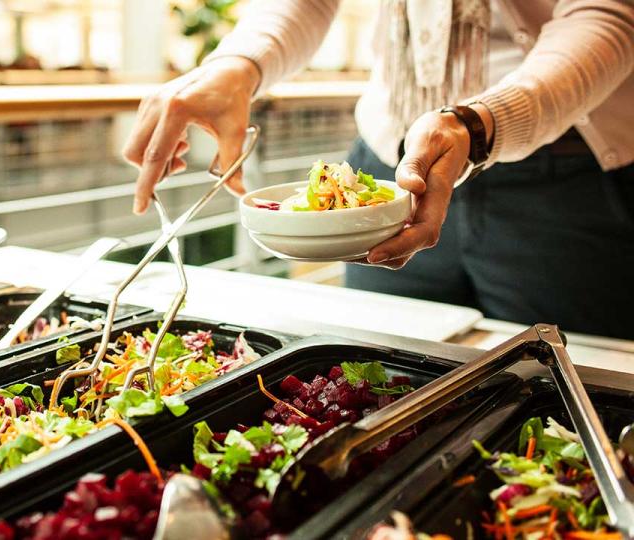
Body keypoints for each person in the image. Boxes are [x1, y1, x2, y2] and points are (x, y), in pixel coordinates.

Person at [123, 0, 634, 340]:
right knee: (382, 380)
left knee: (568, 404)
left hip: (568, 182)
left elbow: (606, 15)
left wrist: (477, 125)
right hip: (389, 173)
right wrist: (237, 64)